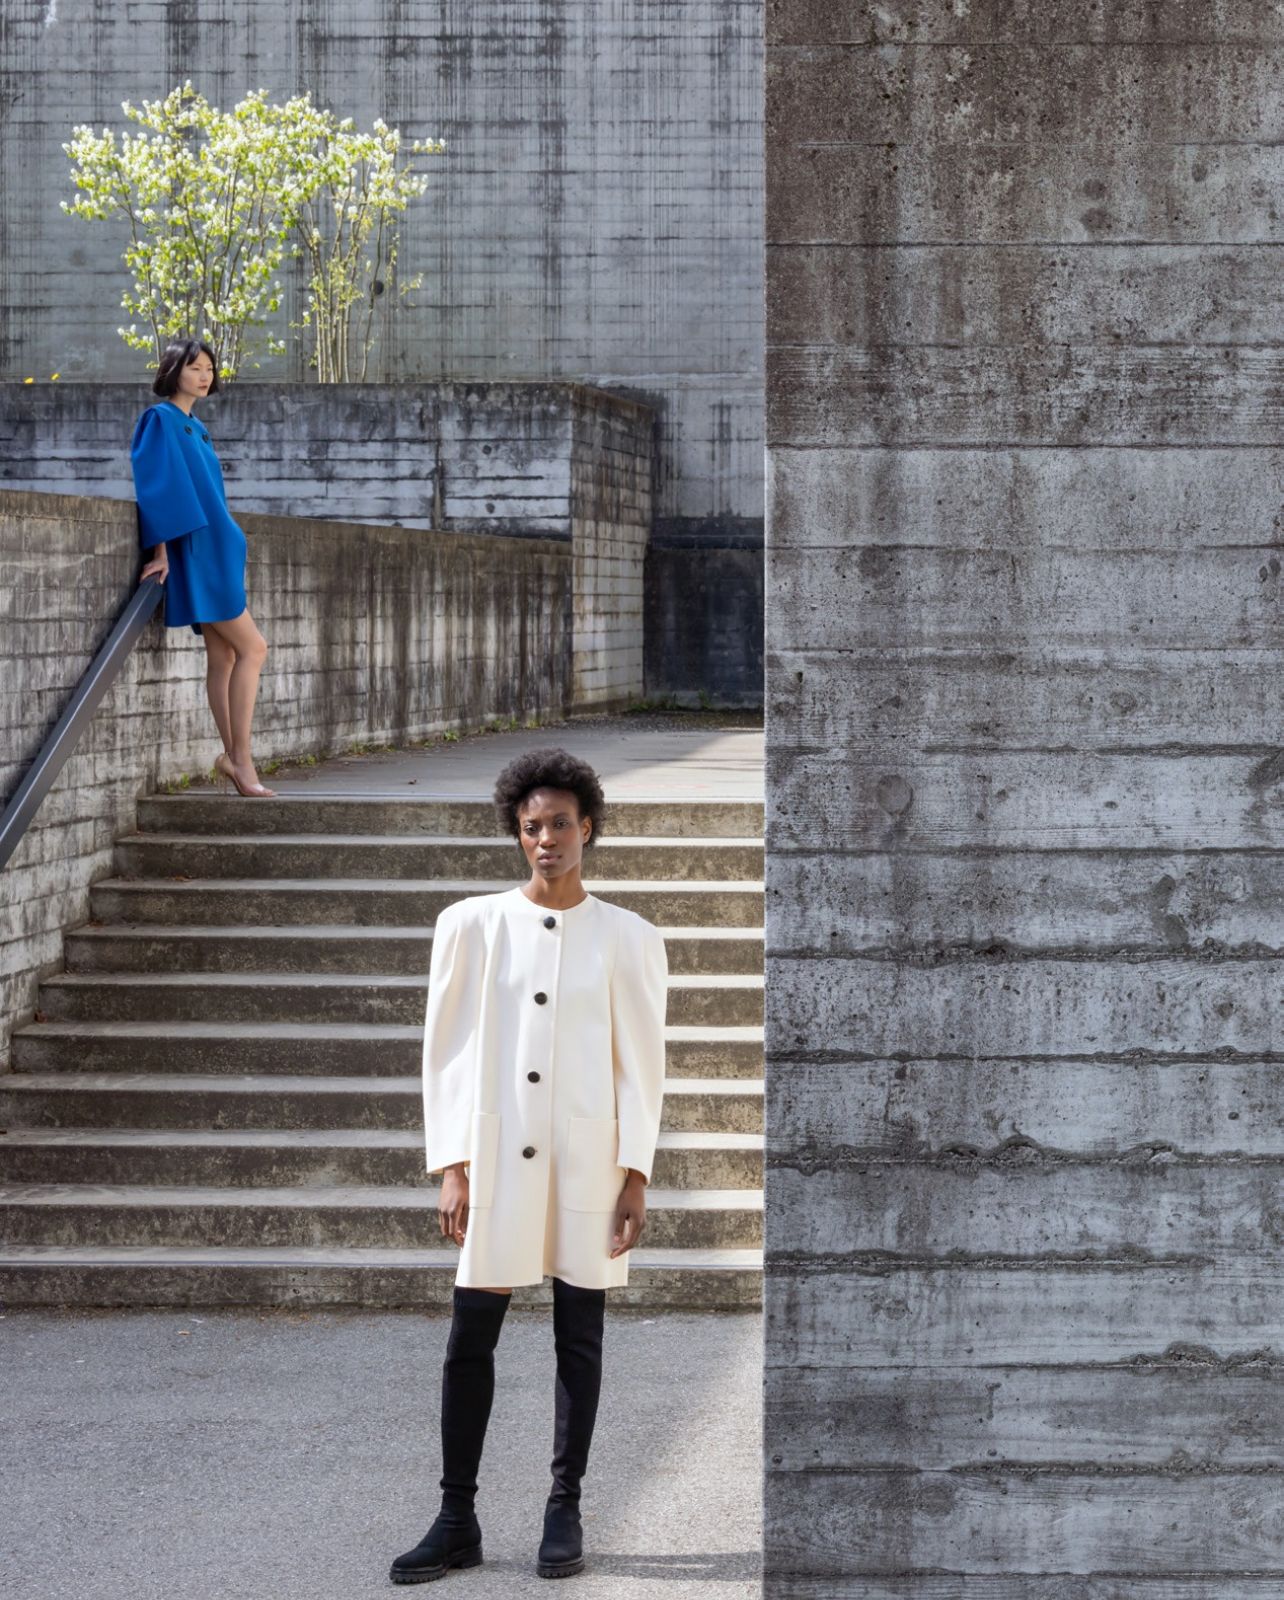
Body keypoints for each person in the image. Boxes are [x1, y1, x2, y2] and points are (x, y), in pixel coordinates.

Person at [390, 747, 668, 1585]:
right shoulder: (469, 924)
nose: (545, 839)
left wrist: (635, 1174)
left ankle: (564, 1506)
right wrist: (453, 1164)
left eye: (559, 824)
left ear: (588, 828)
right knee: (469, 1336)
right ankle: (456, 1517)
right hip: (497, 1158)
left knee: (579, 1339)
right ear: (518, 834)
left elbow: (641, 1066)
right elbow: (448, 1053)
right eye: (530, 827)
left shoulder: (630, 937)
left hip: (587, 1162)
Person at [130, 337, 274, 797]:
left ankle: (233, 760)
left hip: (219, 549)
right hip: (196, 551)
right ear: (174, 371)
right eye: (195, 367)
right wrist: (160, 551)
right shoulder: (160, 420)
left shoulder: (198, 427)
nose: (205, 375)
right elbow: (157, 486)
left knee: (226, 655)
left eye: (210, 368)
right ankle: (241, 760)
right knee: (254, 649)